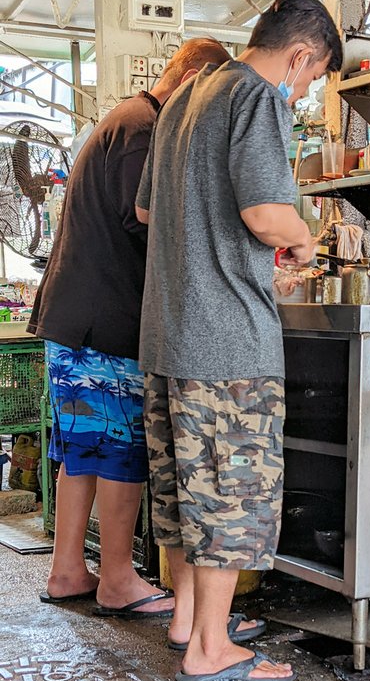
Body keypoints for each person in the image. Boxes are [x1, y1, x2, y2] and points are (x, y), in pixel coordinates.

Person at [135, 0, 343, 681]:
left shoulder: (189, 96)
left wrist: (237, 252)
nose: (304, 91)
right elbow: (263, 210)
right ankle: (212, 652)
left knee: (185, 493)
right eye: (311, 80)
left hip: (168, 335)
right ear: (300, 55)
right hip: (226, 342)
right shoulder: (257, 96)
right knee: (230, 494)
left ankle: (190, 622)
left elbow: (149, 207)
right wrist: (303, 243)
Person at [27, 38, 231, 617]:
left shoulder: (126, 120)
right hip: (104, 323)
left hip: (76, 318)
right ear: (192, 79)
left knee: (83, 449)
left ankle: (69, 569)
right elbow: (148, 220)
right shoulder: (145, 128)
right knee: (119, 447)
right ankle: (117, 578)